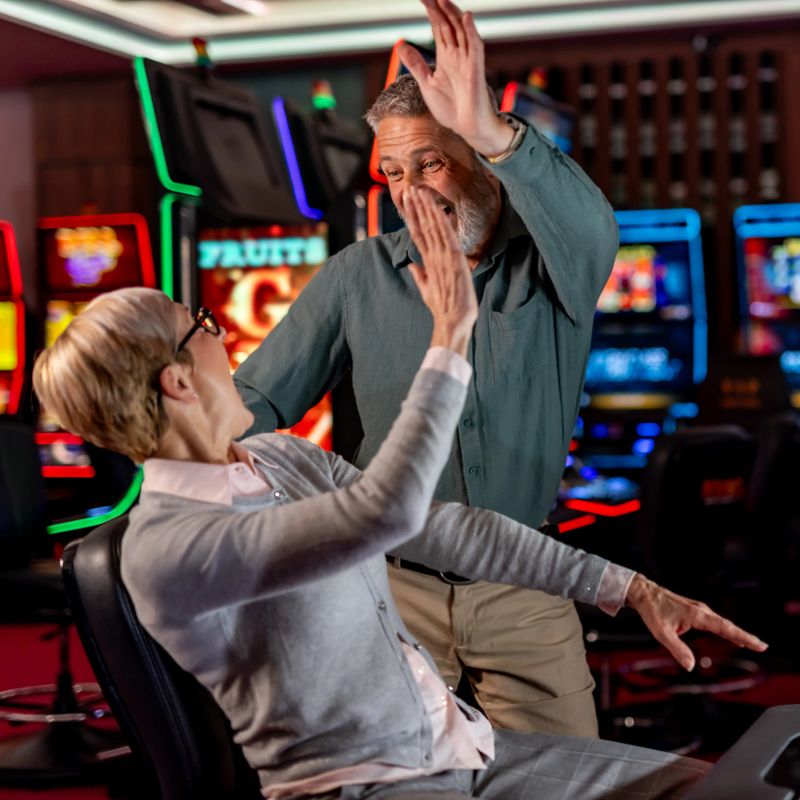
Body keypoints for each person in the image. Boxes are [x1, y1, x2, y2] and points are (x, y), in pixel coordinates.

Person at [34, 187, 765, 800]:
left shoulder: (279, 458)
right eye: (202, 328)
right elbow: (386, 512)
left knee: (724, 787)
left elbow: (445, 529)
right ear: (178, 380)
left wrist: (627, 586)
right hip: (371, 787)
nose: (222, 337)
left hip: (470, 753)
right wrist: (449, 336)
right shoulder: (169, 545)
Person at [235, 0, 618, 736]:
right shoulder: (358, 275)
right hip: (387, 587)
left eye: (431, 162)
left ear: (477, 155)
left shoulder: (552, 265)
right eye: (392, 171)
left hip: (524, 581)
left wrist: (492, 126)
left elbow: (593, 224)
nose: (409, 191)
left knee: (570, 778)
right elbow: (256, 398)